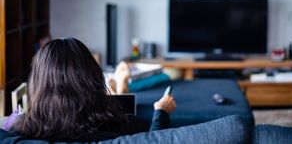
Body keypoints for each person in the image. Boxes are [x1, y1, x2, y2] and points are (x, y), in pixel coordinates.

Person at [9, 38, 176, 142]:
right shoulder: (124, 128)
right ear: (93, 77)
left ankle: (119, 89)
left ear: (38, 83)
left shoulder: (19, 133)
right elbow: (155, 140)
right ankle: (119, 88)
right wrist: (161, 113)